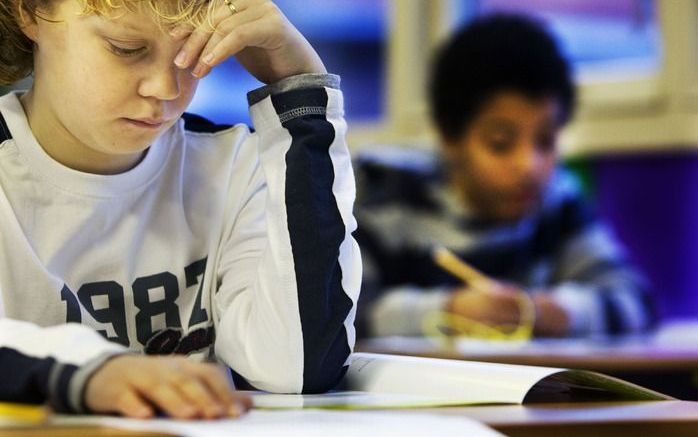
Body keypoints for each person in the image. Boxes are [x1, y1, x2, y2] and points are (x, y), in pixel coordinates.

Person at [0, 0, 360, 418]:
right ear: (29, 13)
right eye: (126, 48)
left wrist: (301, 96)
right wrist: (93, 371)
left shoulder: (235, 167)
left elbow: (297, 367)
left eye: (193, 54)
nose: (166, 88)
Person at [355, 13, 655, 339]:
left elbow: (635, 299)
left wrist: (539, 311)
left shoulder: (556, 199)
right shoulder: (383, 187)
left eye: (546, 141)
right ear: (449, 138)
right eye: (500, 144)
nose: (529, 166)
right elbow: (342, 313)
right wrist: (453, 310)